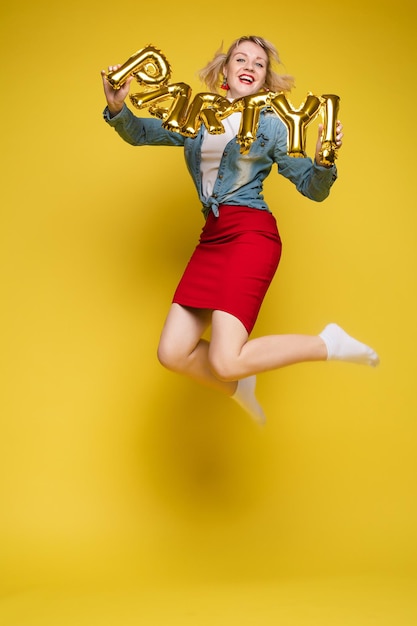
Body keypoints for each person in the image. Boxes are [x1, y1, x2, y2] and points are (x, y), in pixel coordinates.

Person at [101, 35, 379, 424]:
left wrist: (324, 162)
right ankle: (239, 388)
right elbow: (142, 132)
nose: (249, 66)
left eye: (259, 63)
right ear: (225, 73)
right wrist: (117, 107)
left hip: (251, 235)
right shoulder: (198, 116)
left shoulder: (274, 128)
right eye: (241, 59)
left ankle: (326, 343)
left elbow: (312, 188)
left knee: (226, 359)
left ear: (265, 80)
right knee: (172, 353)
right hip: (211, 238)